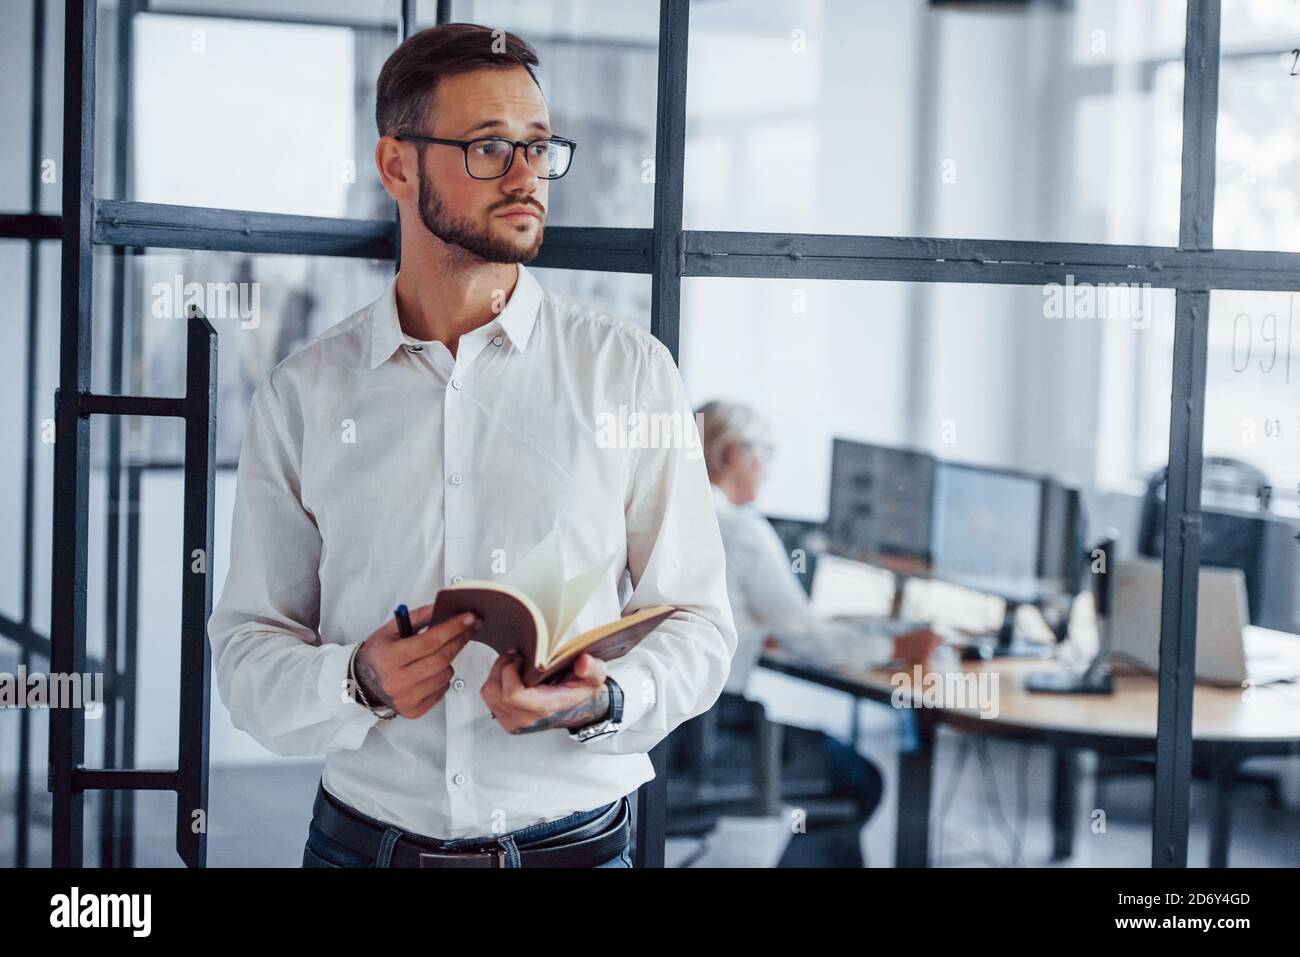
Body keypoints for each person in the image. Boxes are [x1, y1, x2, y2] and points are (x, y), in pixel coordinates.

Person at [207, 23, 736, 869]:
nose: (528, 177)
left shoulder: (629, 373)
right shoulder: (303, 394)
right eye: (490, 148)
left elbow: (701, 623)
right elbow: (245, 651)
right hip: (360, 848)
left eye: (538, 147)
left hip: (579, 849)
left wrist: (606, 699)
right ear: (397, 166)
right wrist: (358, 682)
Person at [673, 400, 941, 867]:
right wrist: (899, 645)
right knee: (860, 779)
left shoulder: (672, 513)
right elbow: (808, 639)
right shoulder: (742, 529)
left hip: (669, 730)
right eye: (765, 454)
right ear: (734, 454)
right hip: (711, 738)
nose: (767, 469)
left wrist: (754, 629)